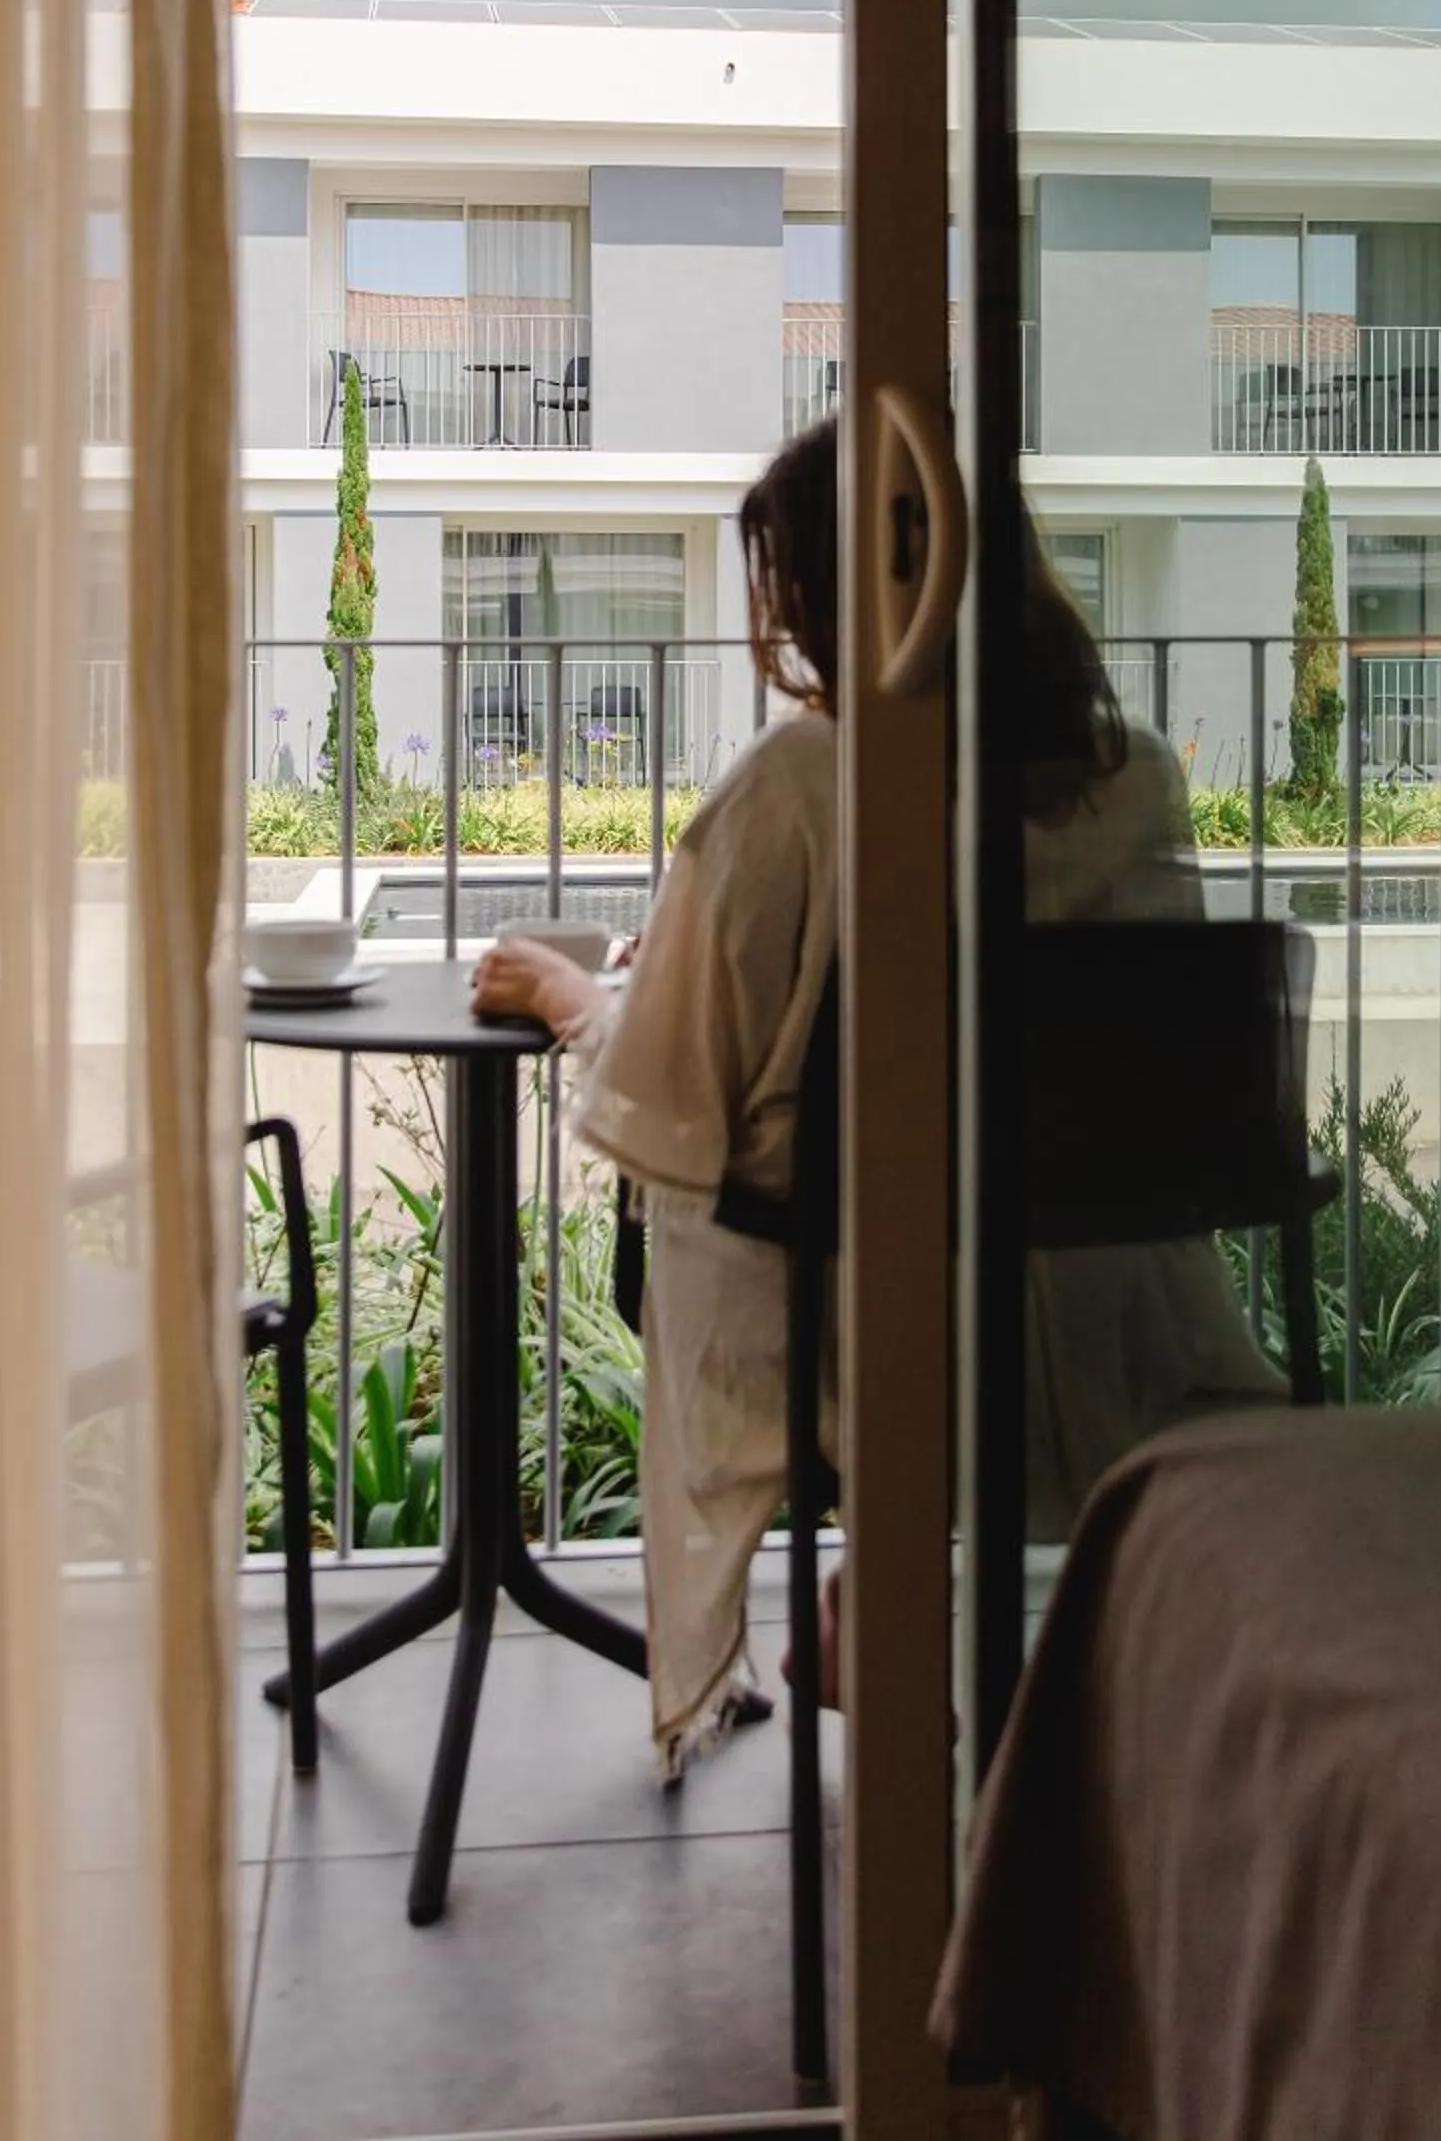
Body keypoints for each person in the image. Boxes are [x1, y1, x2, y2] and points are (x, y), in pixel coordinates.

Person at [472, 414, 1280, 1778]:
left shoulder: (804, 781)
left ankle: (872, 1603)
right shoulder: (1134, 771)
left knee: (763, 1209)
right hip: (1111, 1311)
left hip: (880, 1332)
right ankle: (892, 1614)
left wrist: (569, 995)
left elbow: (673, 1091)